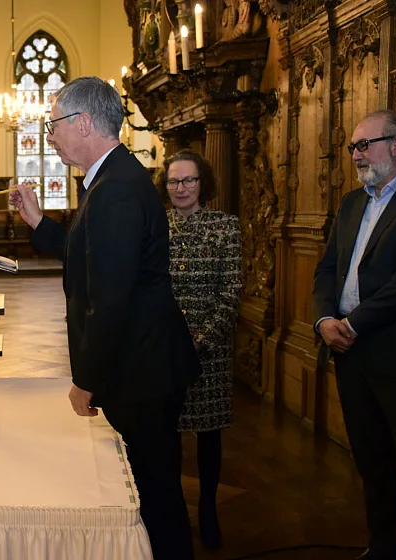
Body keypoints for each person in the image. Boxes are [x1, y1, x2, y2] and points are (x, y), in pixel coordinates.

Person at [9, 76, 201, 560]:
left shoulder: (114, 188)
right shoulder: (112, 178)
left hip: (143, 369)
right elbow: (87, 256)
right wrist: (37, 222)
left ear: (84, 123)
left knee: (155, 493)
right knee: (151, 488)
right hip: (144, 363)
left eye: (54, 124)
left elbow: (110, 296)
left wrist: (87, 379)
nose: (49, 135)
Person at [312, 110, 396, 560]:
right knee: (372, 462)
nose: (357, 155)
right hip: (348, 354)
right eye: (353, 148)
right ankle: (384, 550)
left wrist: (355, 322)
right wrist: (325, 321)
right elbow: (327, 271)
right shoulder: (351, 203)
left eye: (366, 145)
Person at [156, 150, 243, 549]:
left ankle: (208, 507)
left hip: (210, 349)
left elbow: (231, 292)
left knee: (208, 435)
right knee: (167, 435)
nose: (180, 188)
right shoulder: (156, 226)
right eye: (174, 181)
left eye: (188, 181)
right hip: (164, 350)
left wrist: (202, 339)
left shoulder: (226, 227)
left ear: (202, 184)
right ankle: (172, 510)